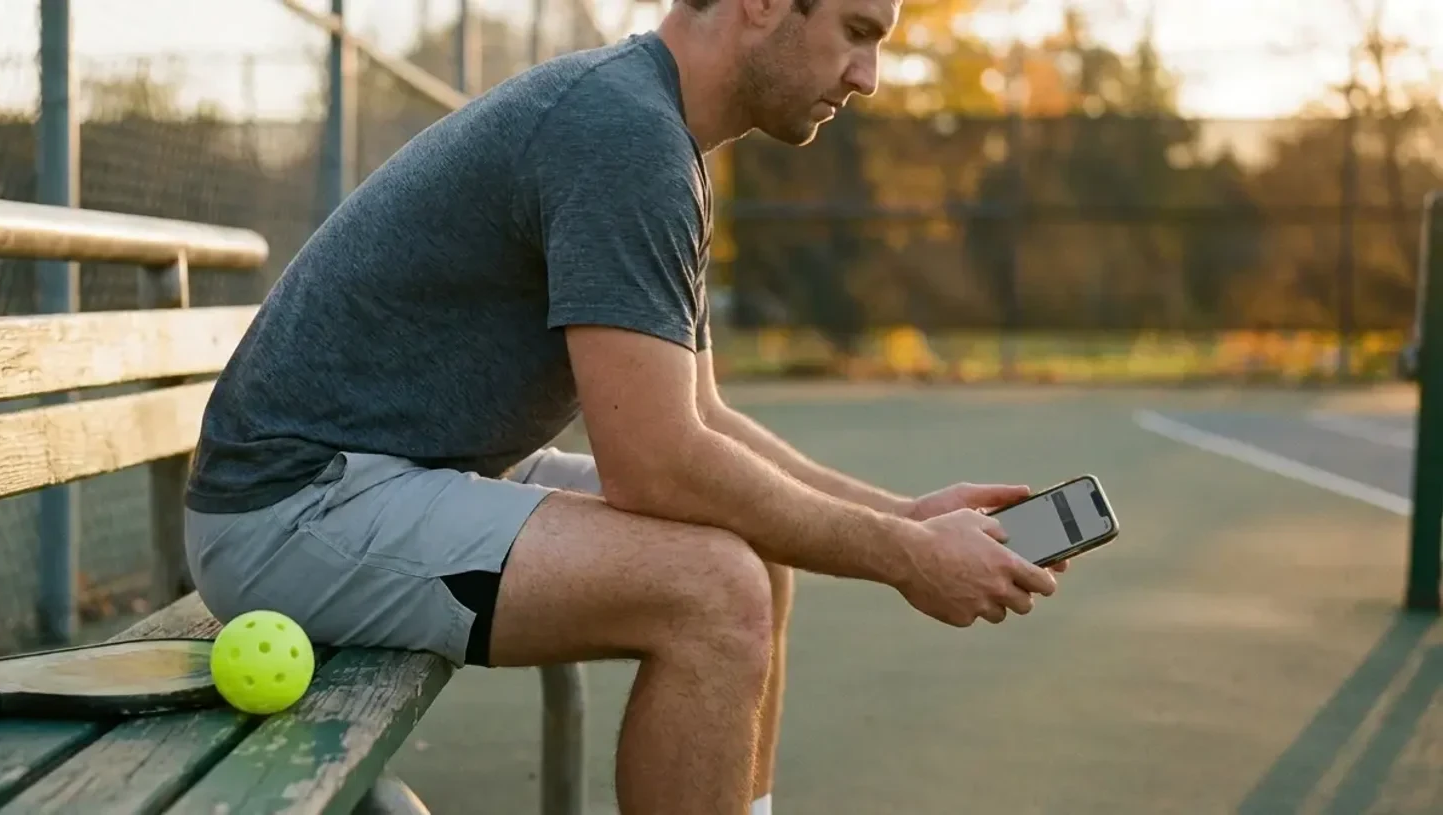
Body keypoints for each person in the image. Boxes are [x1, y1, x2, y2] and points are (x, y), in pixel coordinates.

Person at [182, 0, 1066, 811]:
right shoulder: (622, 136)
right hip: (294, 510)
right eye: (858, 31)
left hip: (405, 469)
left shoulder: (655, 133)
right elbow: (658, 463)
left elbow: (704, 420)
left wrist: (906, 516)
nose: (867, 76)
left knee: (760, 542)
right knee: (714, 589)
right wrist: (908, 557)